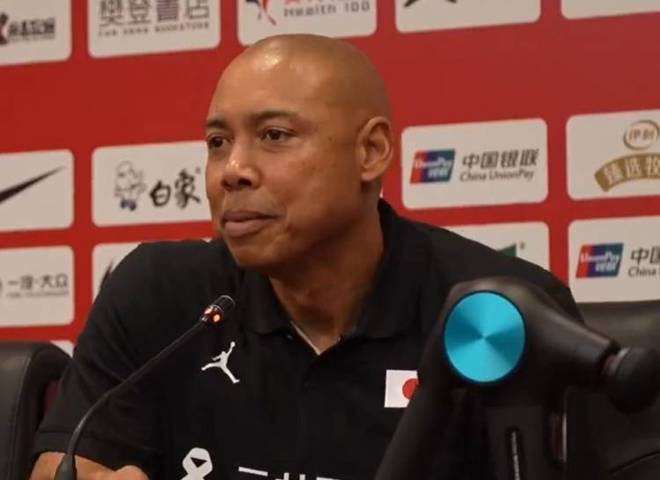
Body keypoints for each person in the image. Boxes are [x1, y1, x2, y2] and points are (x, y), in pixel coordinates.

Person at [30, 34, 581, 480]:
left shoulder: (497, 316)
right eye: (218, 142)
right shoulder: (158, 295)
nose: (232, 170)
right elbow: (67, 465)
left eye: (274, 135)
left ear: (371, 151)